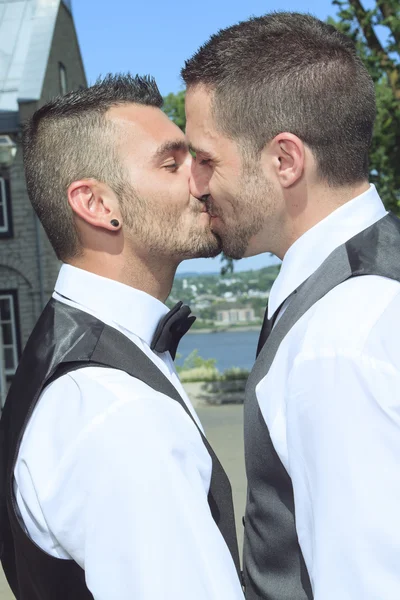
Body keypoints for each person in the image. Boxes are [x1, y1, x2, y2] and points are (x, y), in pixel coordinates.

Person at [0, 74, 244, 600]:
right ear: (95, 204)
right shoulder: (116, 410)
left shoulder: (69, 357)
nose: (202, 180)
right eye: (171, 162)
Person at [182, 12, 400, 600]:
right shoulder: (374, 283)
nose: (195, 184)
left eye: (206, 158)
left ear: (285, 160)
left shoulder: (335, 343)